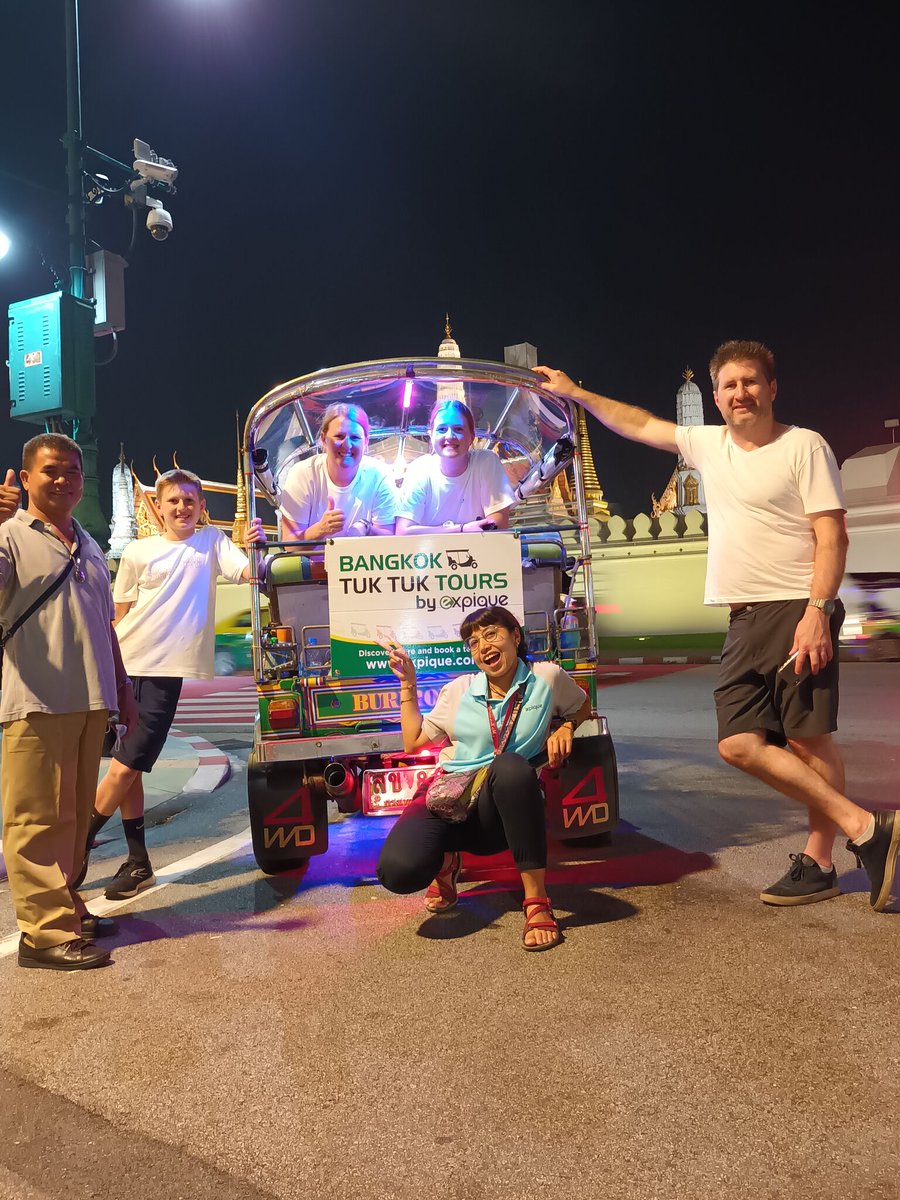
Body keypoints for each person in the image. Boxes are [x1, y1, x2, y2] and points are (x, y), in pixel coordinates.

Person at [534, 340, 899, 910]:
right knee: (737, 743)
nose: (740, 393)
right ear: (714, 396)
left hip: (793, 605)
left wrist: (818, 611)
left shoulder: (804, 446)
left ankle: (822, 861)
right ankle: (867, 830)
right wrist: (576, 392)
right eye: (729, 385)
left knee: (808, 740)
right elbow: (637, 423)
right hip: (743, 615)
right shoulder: (707, 444)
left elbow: (833, 536)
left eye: (750, 382)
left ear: (772, 388)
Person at [74, 468, 265, 900]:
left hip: (163, 674)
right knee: (128, 766)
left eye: (189, 501)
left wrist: (256, 546)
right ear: (157, 507)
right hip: (122, 667)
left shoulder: (213, 543)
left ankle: (77, 846)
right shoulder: (139, 552)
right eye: (173, 501)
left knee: (125, 767)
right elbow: (119, 618)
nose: (181, 508)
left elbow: (248, 574)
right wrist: (106, 668)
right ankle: (139, 862)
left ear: (201, 507)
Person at [377, 604, 591, 951]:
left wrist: (566, 726)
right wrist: (408, 684)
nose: (483, 647)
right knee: (397, 873)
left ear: (515, 636)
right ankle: (446, 862)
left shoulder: (546, 678)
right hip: (450, 795)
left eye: (491, 635)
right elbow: (413, 741)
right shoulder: (459, 690)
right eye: (474, 642)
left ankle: (536, 902)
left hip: (501, 809)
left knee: (510, 767)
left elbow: (582, 705)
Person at [0, 434, 137, 971]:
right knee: (35, 817)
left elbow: (105, 624)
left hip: (90, 698)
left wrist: (122, 685)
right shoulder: (9, 537)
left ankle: (66, 907)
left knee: (75, 817)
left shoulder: (89, 542)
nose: (64, 479)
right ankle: (43, 933)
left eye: (74, 472)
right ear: (26, 477)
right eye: (52, 470)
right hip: (34, 699)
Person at [396, 398, 516, 534]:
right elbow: (402, 531)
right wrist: (462, 529)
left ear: (472, 436)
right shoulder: (419, 469)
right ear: (431, 435)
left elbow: (497, 528)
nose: (450, 436)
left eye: (458, 429)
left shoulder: (486, 462)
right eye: (442, 429)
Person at [279, 403, 397, 540]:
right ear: (323, 439)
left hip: (361, 560)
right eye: (339, 436)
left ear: (366, 442)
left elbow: (389, 538)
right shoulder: (302, 474)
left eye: (355, 438)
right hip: (314, 561)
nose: (347, 445)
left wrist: (366, 528)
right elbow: (289, 542)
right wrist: (320, 529)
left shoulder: (380, 475)